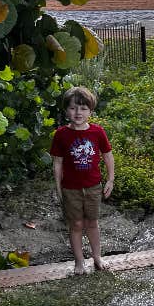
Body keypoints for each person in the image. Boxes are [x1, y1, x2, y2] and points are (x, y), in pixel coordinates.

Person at [49, 87, 114, 274]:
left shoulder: (97, 132)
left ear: (91, 111)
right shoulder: (61, 134)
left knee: (92, 222)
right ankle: (79, 261)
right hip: (71, 188)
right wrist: (58, 187)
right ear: (66, 110)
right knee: (76, 224)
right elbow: (58, 163)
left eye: (83, 109)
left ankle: (97, 257)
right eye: (73, 108)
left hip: (93, 187)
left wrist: (110, 179)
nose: (78, 113)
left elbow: (108, 156)